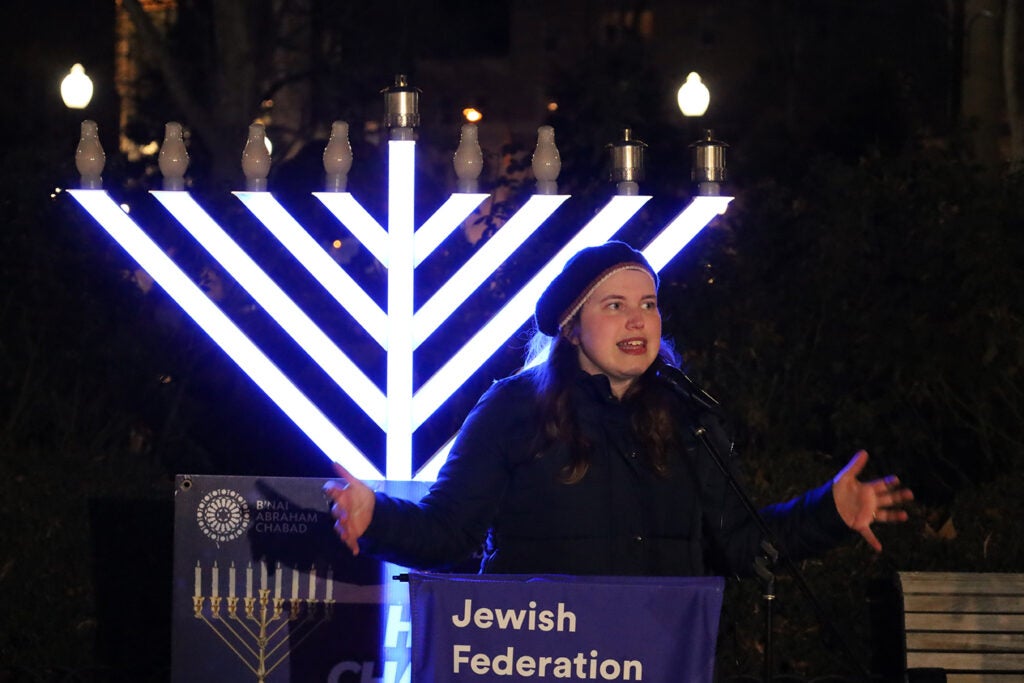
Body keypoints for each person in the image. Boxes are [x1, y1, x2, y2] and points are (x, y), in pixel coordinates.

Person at [324, 241, 913, 576]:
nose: (638, 319)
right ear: (572, 328)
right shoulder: (514, 409)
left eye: (649, 303)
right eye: (614, 305)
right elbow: (449, 534)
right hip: (537, 659)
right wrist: (375, 517)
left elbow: (738, 542)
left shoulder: (691, 416)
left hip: (658, 655)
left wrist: (827, 512)